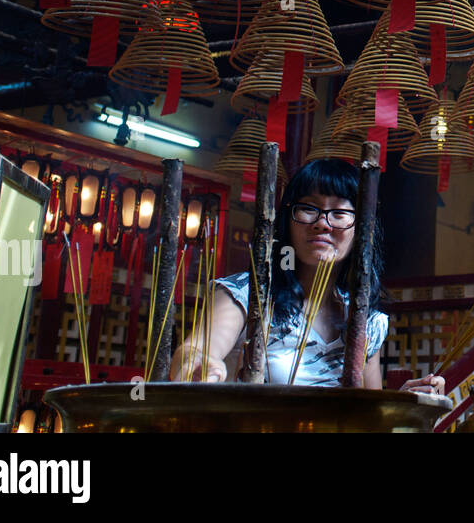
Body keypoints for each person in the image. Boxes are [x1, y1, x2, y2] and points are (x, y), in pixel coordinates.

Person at [171, 158, 444, 393]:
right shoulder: (247, 294)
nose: (322, 224)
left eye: (339, 212)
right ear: (287, 220)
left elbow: (369, 415)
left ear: (360, 229)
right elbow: (198, 349)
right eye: (309, 208)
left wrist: (403, 402)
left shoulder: (364, 321)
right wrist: (199, 362)